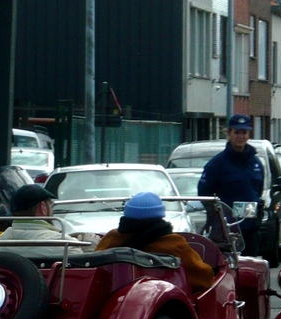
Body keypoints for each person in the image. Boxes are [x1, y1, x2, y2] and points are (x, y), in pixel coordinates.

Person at [95, 192, 214, 293]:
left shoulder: (112, 238)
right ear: (160, 214)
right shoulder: (174, 243)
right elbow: (203, 278)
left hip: (111, 295)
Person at [197, 114, 264, 256]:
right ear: (229, 134)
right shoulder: (217, 164)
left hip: (250, 229)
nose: (241, 136)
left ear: (249, 135)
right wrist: (216, 217)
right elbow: (205, 194)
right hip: (227, 230)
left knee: (250, 269)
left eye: (244, 132)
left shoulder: (256, 163)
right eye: (237, 132)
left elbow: (258, 191)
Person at [0, 184, 98, 257]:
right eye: (50, 204)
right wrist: (90, 247)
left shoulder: (0, 243)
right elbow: (85, 268)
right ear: (43, 207)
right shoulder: (66, 245)